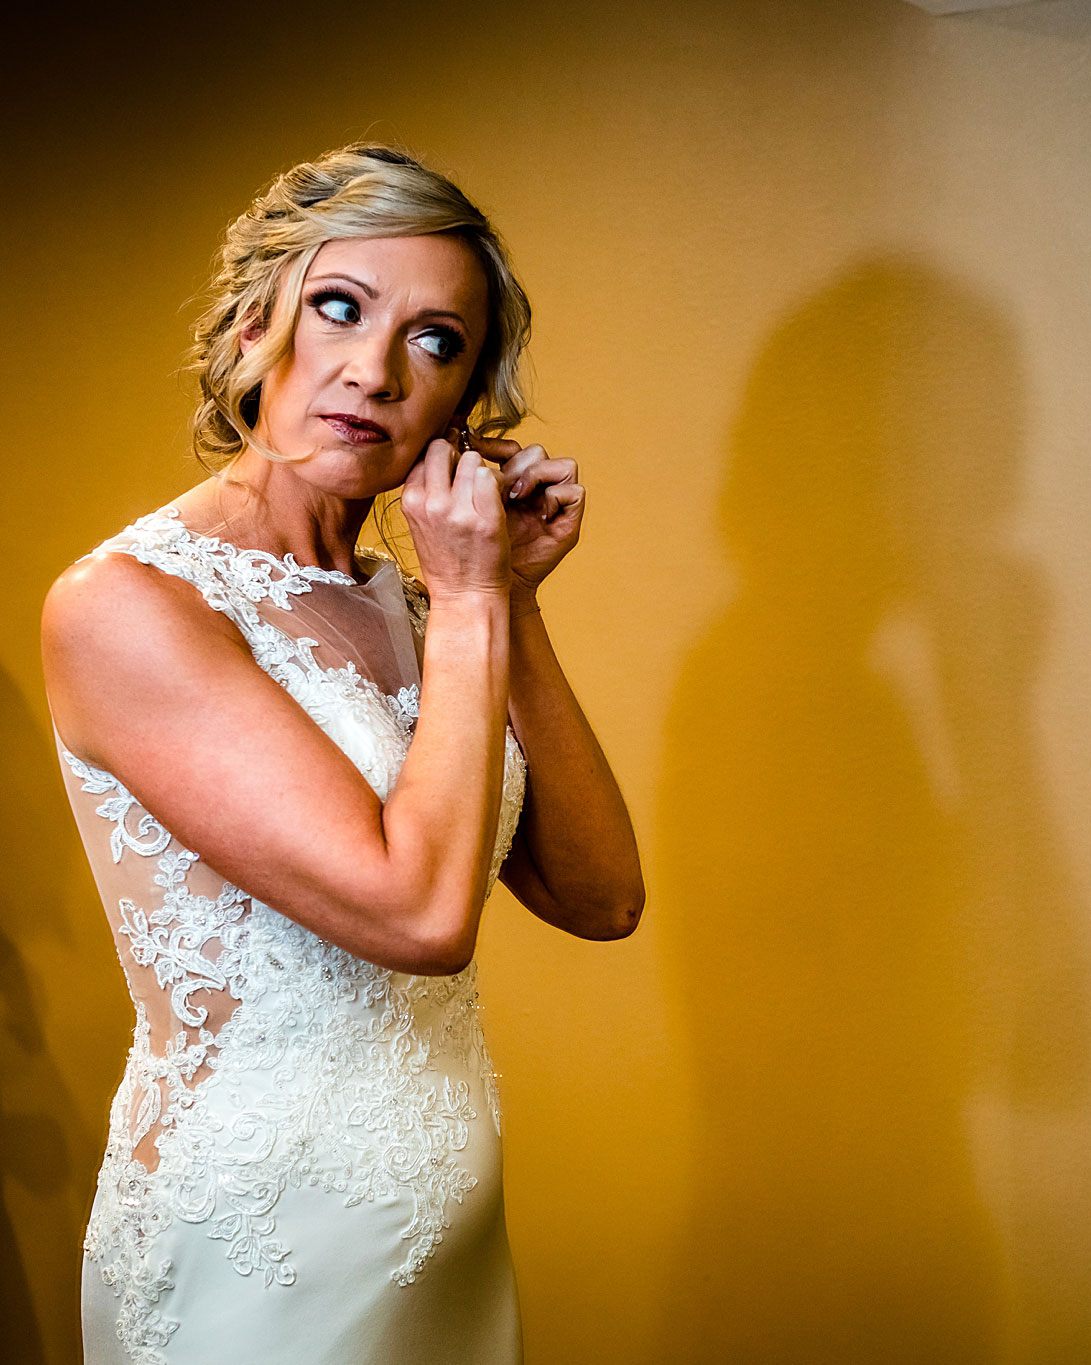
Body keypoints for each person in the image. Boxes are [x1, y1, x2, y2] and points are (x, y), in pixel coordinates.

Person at [40, 143, 644, 1364]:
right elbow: (419, 919)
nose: (372, 371)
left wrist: (509, 603)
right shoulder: (133, 606)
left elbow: (600, 895)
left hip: (442, 1258)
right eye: (338, 307)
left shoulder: (421, 608)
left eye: (434, 341)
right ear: (258, 321)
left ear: (466, 399)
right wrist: (470, 602)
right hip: (257, 1254)